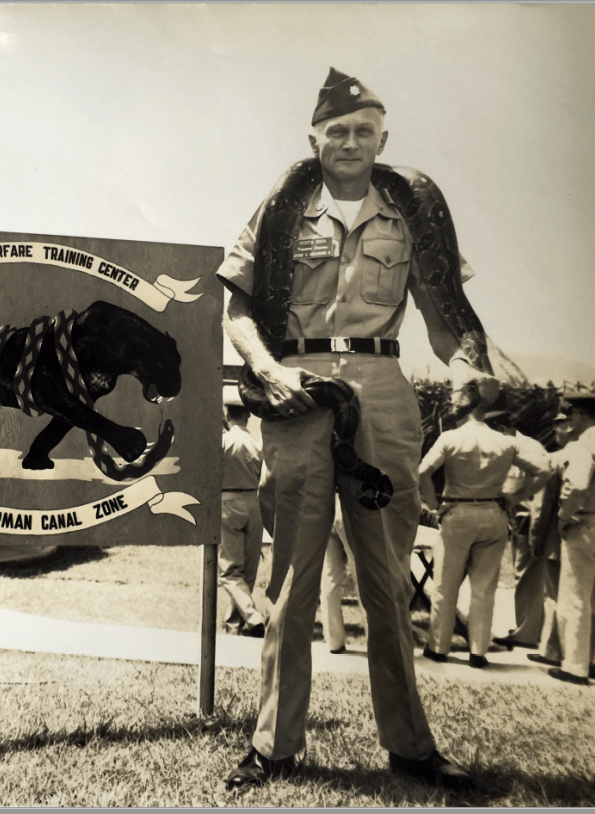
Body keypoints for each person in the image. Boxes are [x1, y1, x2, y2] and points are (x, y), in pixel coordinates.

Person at [217, 68, 498, 792]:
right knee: (291, 582)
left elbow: (448, 321)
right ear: (314, 137)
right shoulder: (282, 209)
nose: (349, 142)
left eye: (364, 131)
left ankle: (410, 746)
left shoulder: (414, 212)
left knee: (385, 580)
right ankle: (274, 745)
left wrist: (468, 365)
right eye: (336, 131)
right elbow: (238, 310)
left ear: (383, 139)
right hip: (297, 392)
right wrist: (266, 368)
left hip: (382, 391)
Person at [418, 407, 549, 668]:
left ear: (464, 412)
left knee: (445, 586)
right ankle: (478, 651)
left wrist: (433, 507)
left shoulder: (450, 438)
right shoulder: (507, 441)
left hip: (457, 512)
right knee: (484, 589)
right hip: (493, 513)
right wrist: (516, 497)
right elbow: (544, 471)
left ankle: (438, 647)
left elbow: (422, 472)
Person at [548, 392, 595, 686]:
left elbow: (576, 484)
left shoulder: (583, 445)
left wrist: (564, 516)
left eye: (571, 415)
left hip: (585, 523)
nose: (569, 422)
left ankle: (575, 667)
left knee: (575, 597)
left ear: (579, 414)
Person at [491, 415, 556, 650]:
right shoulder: (512, 446)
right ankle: (527, 628)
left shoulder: (528, 447)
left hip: (528, 516)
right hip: (516, 516)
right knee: (523, 573)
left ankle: (527, 633)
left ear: (502, 428)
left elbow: (542, 488)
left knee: (526, 573)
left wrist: (536, 526)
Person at [526, 412, 578, 668]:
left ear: (569, 427)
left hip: (558, 539)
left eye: (558, 426)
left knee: (555, 595)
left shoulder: (555, 459)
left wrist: (535, 538)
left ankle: (552, 650)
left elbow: (542, 507)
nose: (555, 432)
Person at [220, 402, 266, 637]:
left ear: (227, 415)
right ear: (248, 416)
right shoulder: (257, 444)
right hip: (254, 502)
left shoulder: (223, 441)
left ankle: (253, 617)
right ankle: (233, 624)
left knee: (229, 571)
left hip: (228, 501)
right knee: (247, 571)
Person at [319, 513, 361, 654]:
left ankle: (334, 641)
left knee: (330, 580)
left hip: (327, 511)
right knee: (364, 580)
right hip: (351, 511)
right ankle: (376, 641)